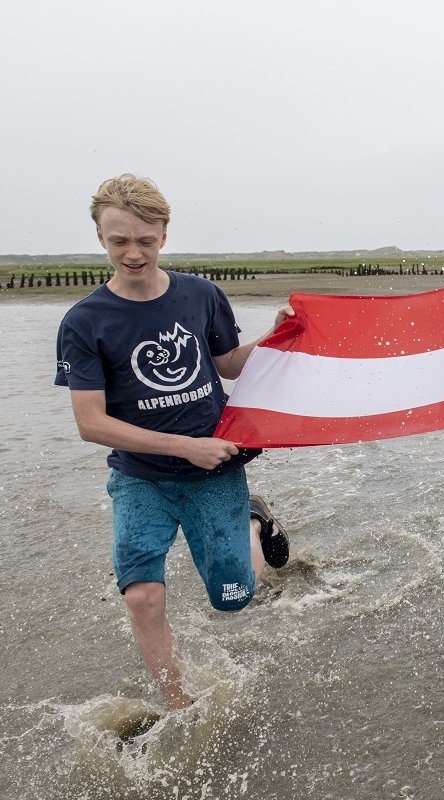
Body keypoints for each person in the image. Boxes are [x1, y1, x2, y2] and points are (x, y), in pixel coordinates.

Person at [55, 174, 293, 710]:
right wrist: (183, 446)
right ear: (100, 238)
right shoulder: (85, 321)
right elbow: (90, 422)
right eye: (119, 241)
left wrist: (277, 338)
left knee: (233, 600)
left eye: (145, 239)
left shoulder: (201, 294)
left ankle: (254, 522)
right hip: (141, 478)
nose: (133, 253)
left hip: (215, 473)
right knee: (141, 596)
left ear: (164, 232)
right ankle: (180, 704)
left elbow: (228, 364)